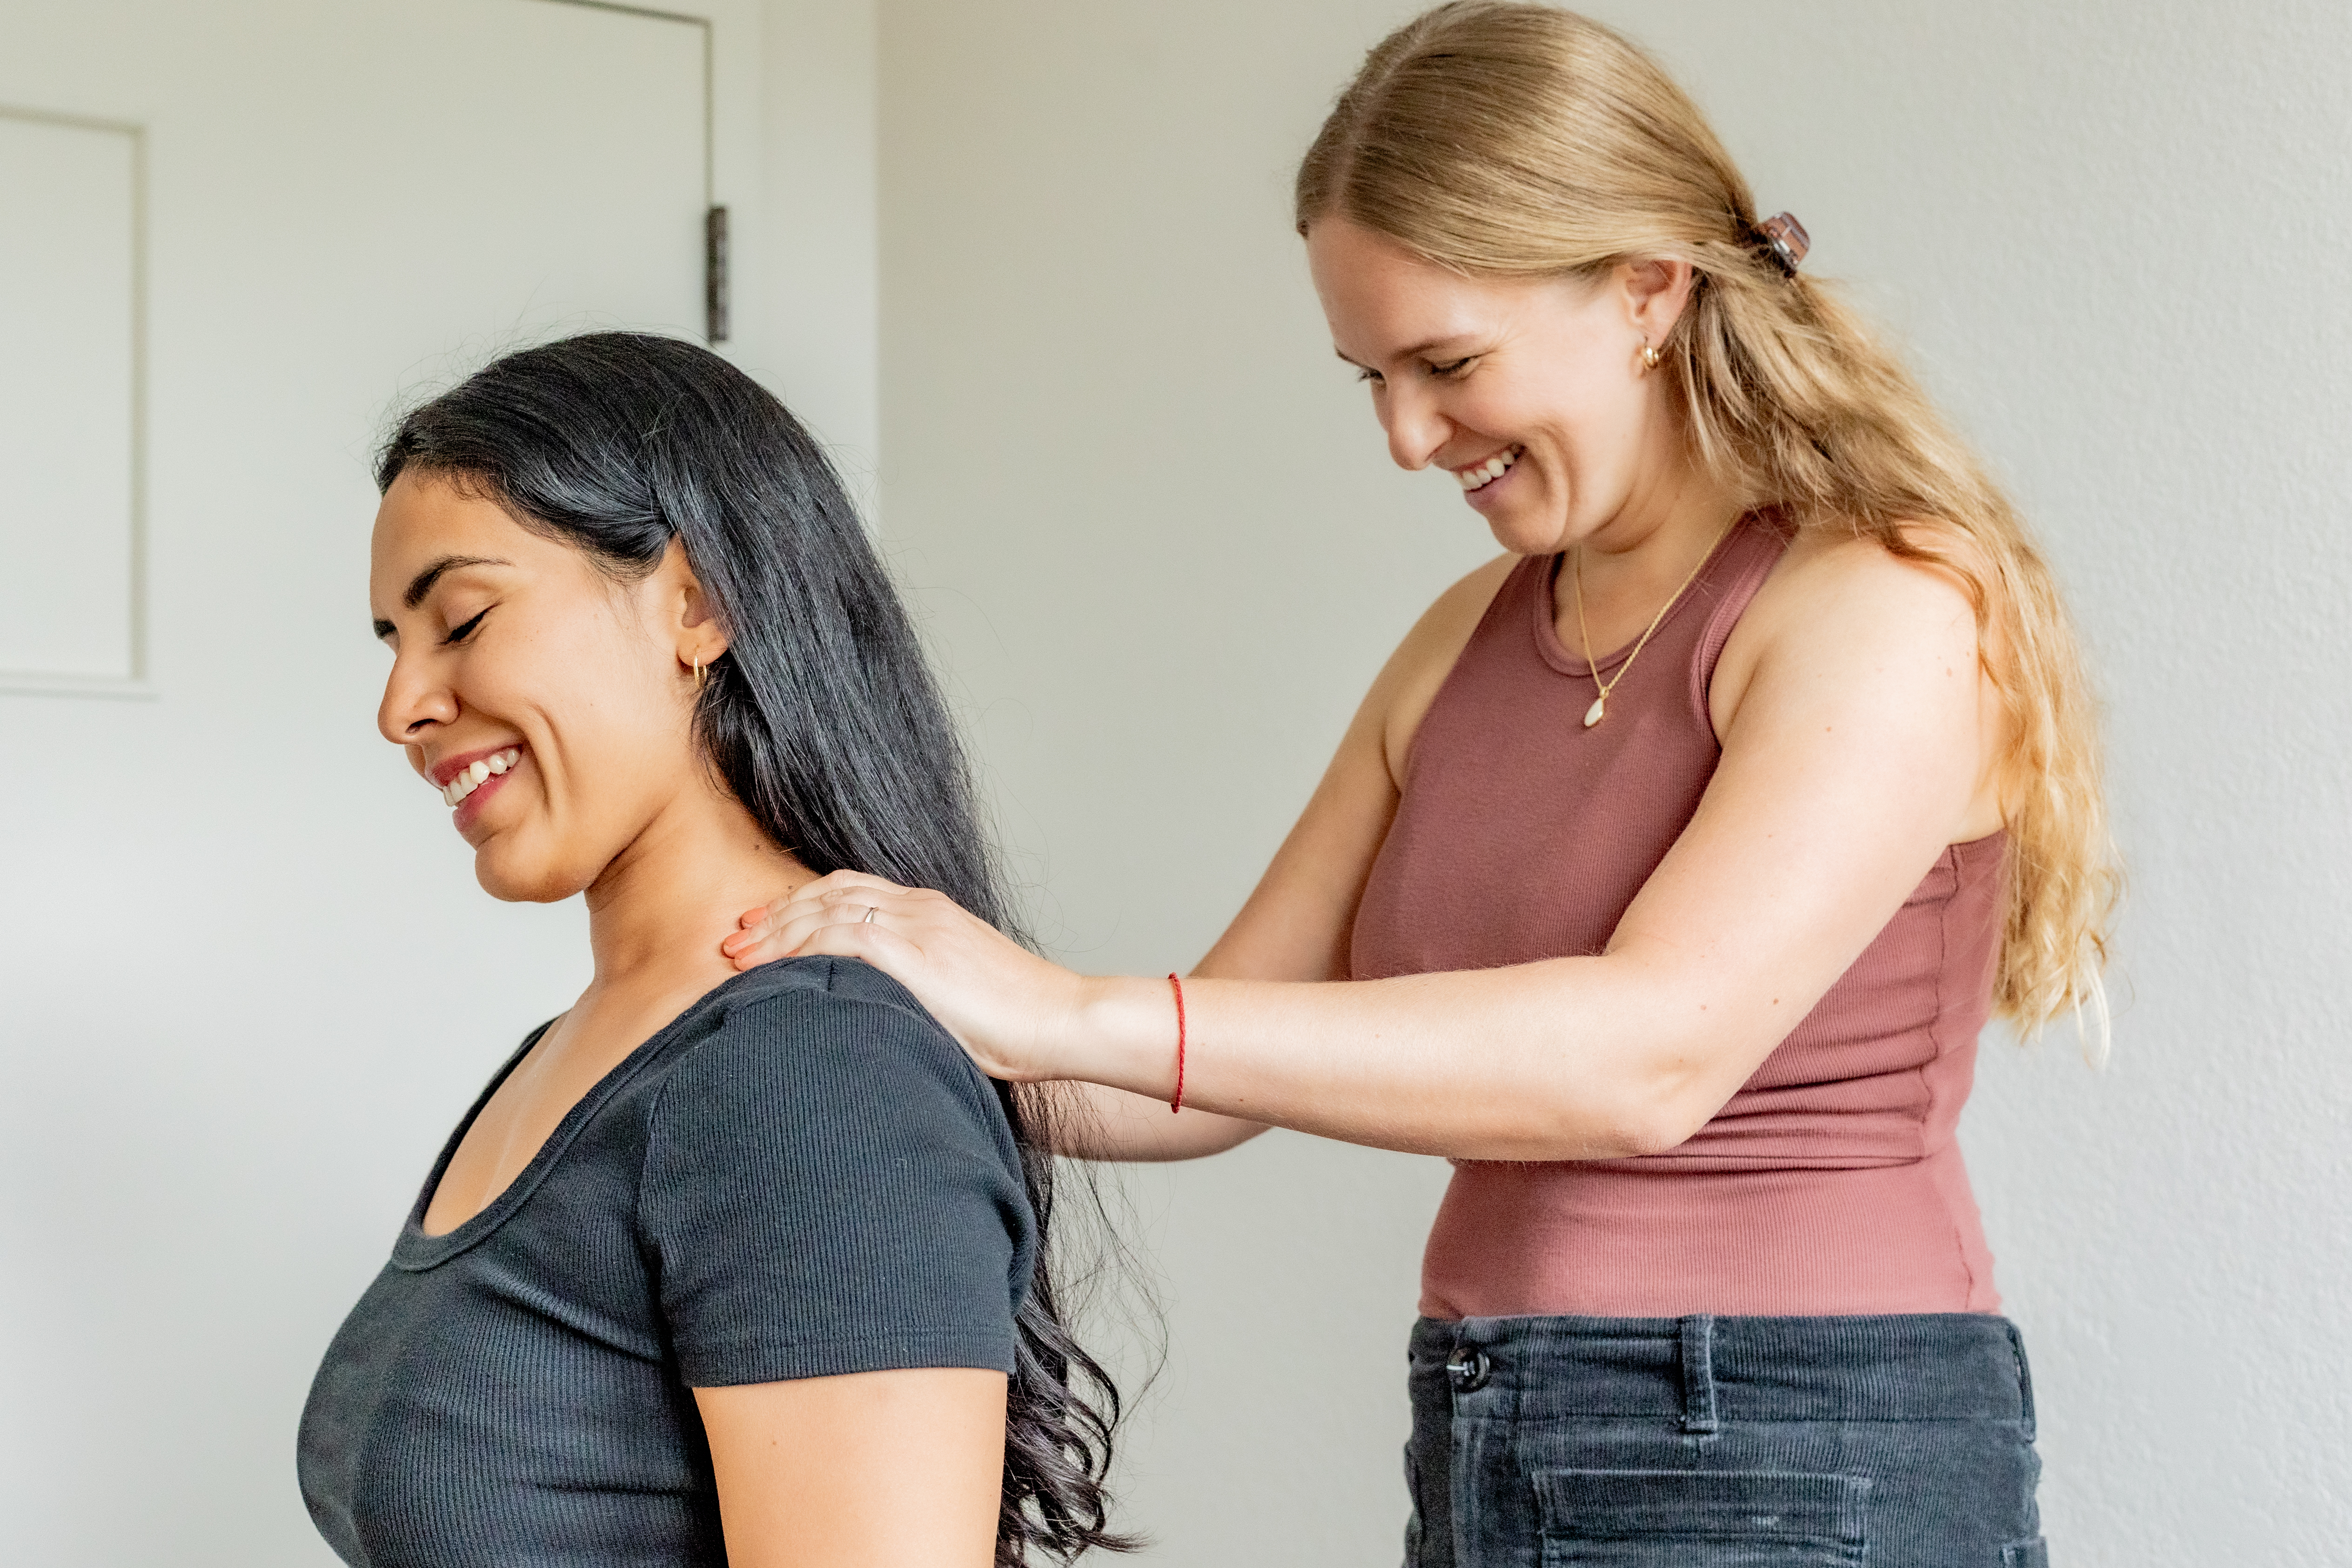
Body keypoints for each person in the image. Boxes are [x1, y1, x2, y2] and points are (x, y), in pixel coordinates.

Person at [727, 5, 2116, 1566]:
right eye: (1369, 376)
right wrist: (836, 1000)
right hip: (1491, 1412)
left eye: (1446, 363)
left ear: (1649, 291)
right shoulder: (1464, 640)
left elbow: (1648, 1060)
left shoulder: (1885, 607)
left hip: (1790, 1431)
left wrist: (1064, 1005)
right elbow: (1179, 1079)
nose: (1404, 437)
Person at [297, 332, 1132, 1568]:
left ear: (698, 603)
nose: (401, 706)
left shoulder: (812, 1068)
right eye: (391, 643)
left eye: (461, 619)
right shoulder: (577, 1058)